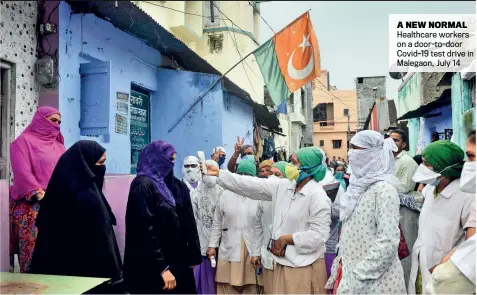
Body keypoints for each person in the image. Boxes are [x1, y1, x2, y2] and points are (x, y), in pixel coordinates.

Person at [205, 146, 331, 294]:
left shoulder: (317, 196)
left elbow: (320, 235)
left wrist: (288, 239)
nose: (290, 165)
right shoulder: (284, 186)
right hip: (282, 263)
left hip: (304, 266)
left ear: (308, 167)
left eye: (295, 163)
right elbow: (250, 185)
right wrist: (220, 174)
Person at [30, 141, 123, 289]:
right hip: (79, 277)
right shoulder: (82, 195)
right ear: (85, 165)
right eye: (100, 163)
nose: (102, 169)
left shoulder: (77, 189)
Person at [325, 130, 406, 294]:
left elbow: (388, 241)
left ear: (373, 154)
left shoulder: (383, 190)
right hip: (352, 278)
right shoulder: (356, 188)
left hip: (377, 284)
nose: (350, 154)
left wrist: (358, 276)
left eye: (357, 149)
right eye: (350, 148)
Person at [123, 140, 201, 294]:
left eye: (173, 161)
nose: (170, 165)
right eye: (167, 160)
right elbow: (145, 229)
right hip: (152, 265)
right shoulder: (142, 185)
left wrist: (193, 255)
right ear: (155, 159)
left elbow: (189, 222)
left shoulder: (176, 186)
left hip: (176, 260)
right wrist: (162, 268)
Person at [408, 140, 474, 294]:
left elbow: (471, 242)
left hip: (447, 273)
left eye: (426, 163)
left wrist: (446, 264)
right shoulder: (430, 190)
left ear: (443, 168)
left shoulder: (467, 195)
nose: (421, 168)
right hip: (420, 265)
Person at [9, 106, 66, 273]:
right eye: (53, 120)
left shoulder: (59, 146)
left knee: (57, 250)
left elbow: (65, 171)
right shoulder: (23, 142)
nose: (56, 125)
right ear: (40, 119)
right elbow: (22, 172)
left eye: (59, 122)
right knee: (33, 252)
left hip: (58, 204)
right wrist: (41, 194)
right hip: (32, 206)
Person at [425, 130, 476, 294]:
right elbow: (471, 242)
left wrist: (445, 270)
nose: (467, 164)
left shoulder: (467, 195)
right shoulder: (429, 191)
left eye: (471, 157)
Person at [207, 160, 263, 294]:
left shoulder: (260, 196)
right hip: (229, 244)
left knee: (253, 285)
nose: (243, 178)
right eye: (240, 174)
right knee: (227, 285)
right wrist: (212, 245)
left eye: (247, 175)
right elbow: (217, 222)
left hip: (252, 248)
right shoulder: (225, 195)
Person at [250, 161, 298, 294]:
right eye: (271, 174)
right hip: (267, 257)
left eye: (278, 175)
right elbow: (258, 226)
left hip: (288, 259)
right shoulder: (263, 198)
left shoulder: (293, 198)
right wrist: (255, 252)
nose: (273, 178)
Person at [389, 129, 421, 289]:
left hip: (405, 213)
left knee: (406, 253)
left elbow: (404, 188)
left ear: (404, 144)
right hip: (393, 212)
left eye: (395, 140)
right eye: (389, 139)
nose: (391, 142)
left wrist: (384, 186)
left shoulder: (407, 161)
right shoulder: (388, 160)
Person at [192, 160, 224, 294]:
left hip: (222, 248)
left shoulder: (223, 192)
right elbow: (193, 220)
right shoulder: (195, 194)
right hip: (202, 247)